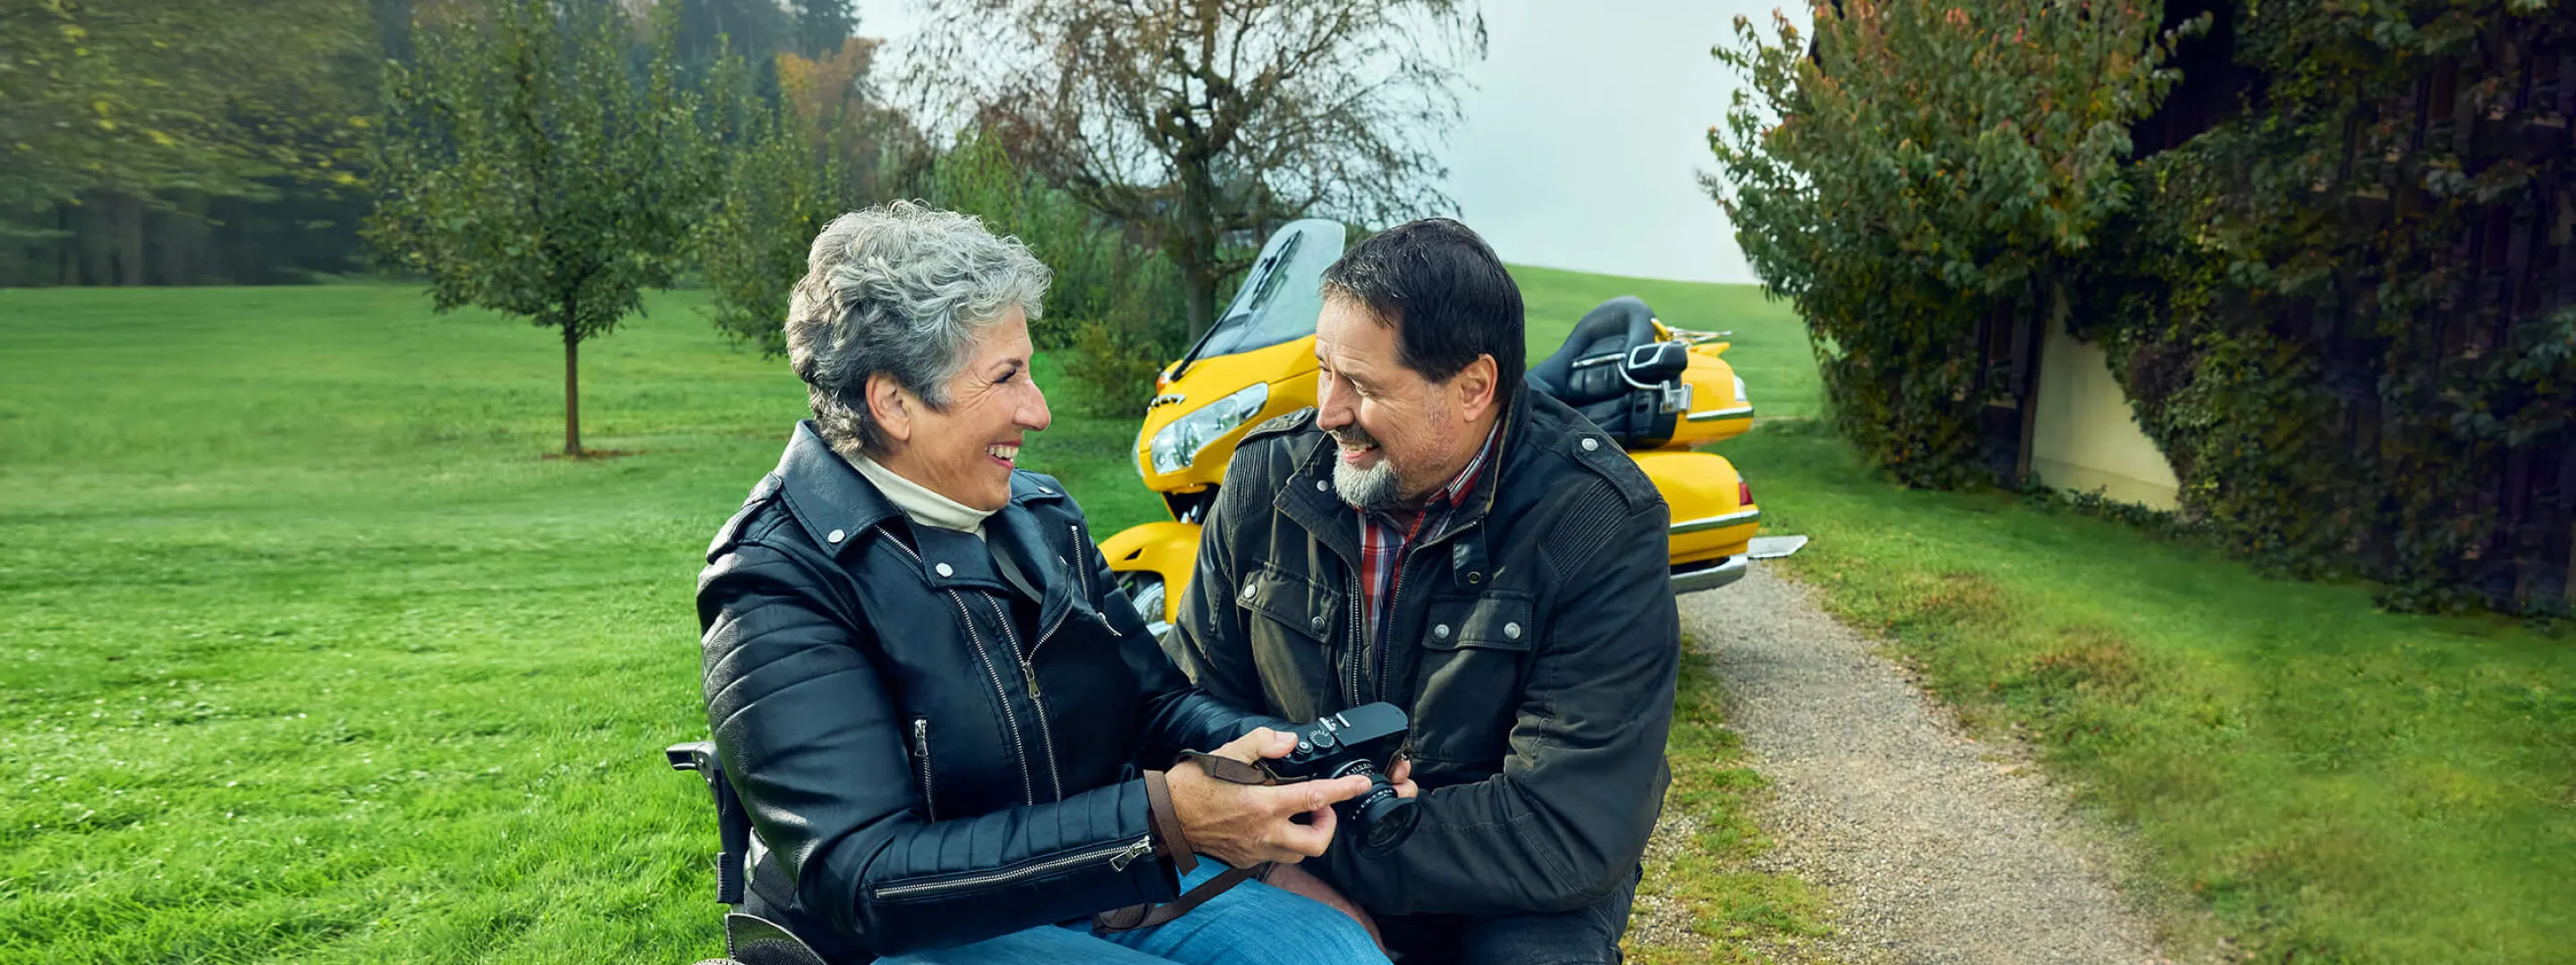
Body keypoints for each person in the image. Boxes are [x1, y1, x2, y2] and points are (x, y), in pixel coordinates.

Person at [695, 201, 1393, 964]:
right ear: (892, 401)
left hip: (1105, 889)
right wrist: (1158, 822)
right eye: (1007, 377)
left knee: (1340, 953)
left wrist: (1281, 757)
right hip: (906, 937)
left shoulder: (1040, 511)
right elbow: (866, 878)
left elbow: (1155, 704)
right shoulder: (775, 576)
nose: (1040, 409)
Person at [1163, 218, 1682, 964]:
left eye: (1364, 385)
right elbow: (1187, 712)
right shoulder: (1264, 479)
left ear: (1474, 388)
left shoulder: (1597, 522)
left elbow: (1565, 829)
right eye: (1323, 369)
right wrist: (1281, 863)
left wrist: (1317, 836)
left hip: (1513, 888)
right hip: (1288, 852)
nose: (1328, 411)